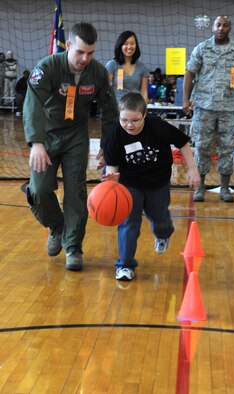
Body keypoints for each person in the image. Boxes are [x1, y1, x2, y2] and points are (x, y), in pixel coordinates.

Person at [23, 22, 118, 271]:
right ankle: (57, 226)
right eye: (80, 52)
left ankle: (73, 248)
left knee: (75, 192)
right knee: (40, 190)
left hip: (76, 136)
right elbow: (32, 104)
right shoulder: (47, 67)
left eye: (91, 53)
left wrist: (107, 146)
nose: (85, 58)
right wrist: (36, 143)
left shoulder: (97, 72)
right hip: (47, 134)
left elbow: (110, 110)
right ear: (69, 46)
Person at [102, 92, 200, 281]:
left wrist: (193, 169)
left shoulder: (157, 126)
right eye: (124, 120)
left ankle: (163, 234)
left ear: (145, 115)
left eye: (135, 120)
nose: (129, 125)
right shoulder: (115, 134)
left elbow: (183, 144)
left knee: (160, 219)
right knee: (129, 223)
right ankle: (125, 265)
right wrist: (112, 180)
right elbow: (112, 164)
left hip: (158, 182)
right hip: (130, 183)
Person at [183, 15, 234, 203]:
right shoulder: (202, 48)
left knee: (227, 147)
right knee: (202, 147)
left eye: (225, 25)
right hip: (204, 107)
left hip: (229, 108)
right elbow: (189, 73)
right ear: (212, 28)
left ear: (230, 28)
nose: (221, 28)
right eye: (218, 25)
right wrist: (185, 100)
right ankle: (200, 187)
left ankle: (224, 187)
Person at [105, 31, 149, 103]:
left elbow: (144, 92)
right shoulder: (112, 65)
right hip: (115, 109)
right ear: (120, 46)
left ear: (136, 45)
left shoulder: (142, 68)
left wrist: (144, 112)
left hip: (135, 108)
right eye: (126, 44)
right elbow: (106, 89)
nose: (129, 47)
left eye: (132, 43)